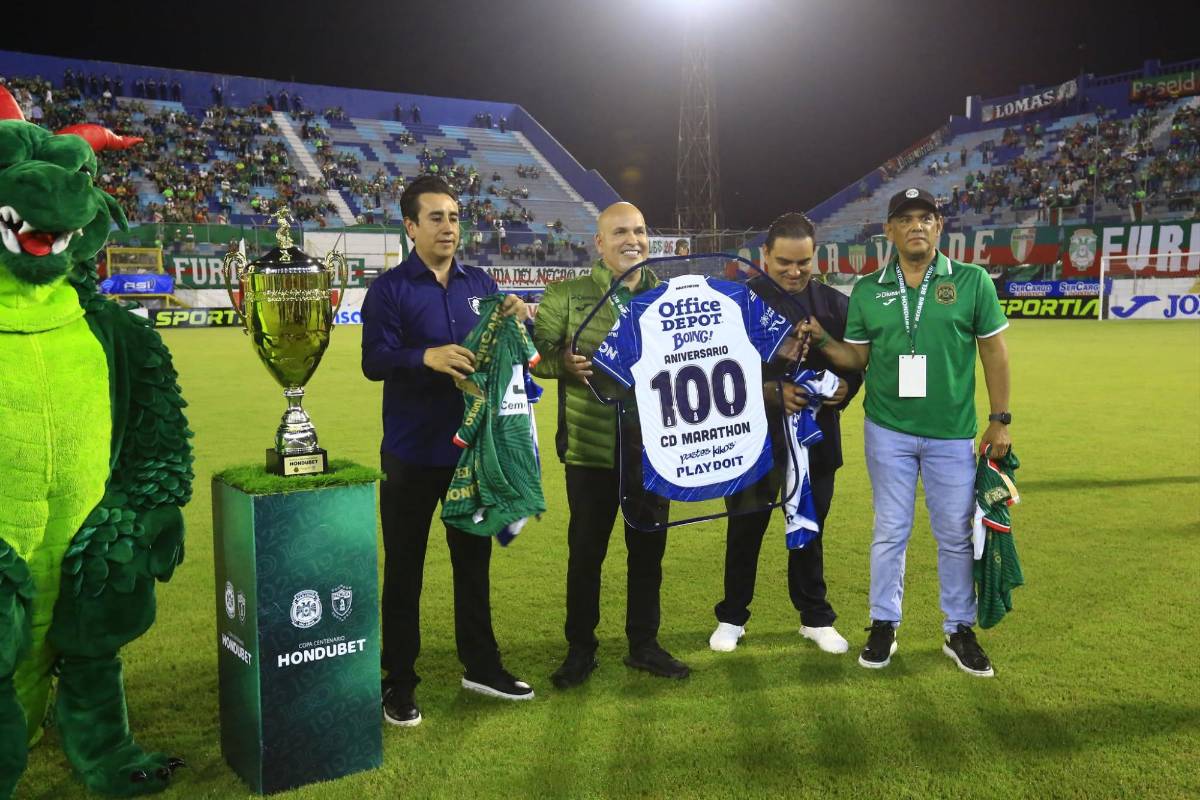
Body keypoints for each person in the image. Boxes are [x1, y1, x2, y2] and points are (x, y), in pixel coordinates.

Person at [800, 187, 1011, 678]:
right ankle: (883, 624)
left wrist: (1000, 418)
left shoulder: (973, 281)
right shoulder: (869, 290)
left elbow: (994, 352)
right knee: (889, 530)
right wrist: (825, 341)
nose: (916, 225)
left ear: (939, 226)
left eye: (926, 217)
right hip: (888, 430)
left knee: (956, 536)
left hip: (952, 432)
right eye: (905, 219)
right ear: (889, 231)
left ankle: (959, 629)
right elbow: (858, 358)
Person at [361, 175, 532, 728]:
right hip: (410, 454)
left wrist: (516, 318)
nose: (449, 227)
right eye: (436, 218)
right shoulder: (388, 290)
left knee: (473, 565)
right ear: (410, 227)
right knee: (405, 571)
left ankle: (480, 665)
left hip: (470, 453)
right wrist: (424, 358)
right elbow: (374, 361)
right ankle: (398, 682)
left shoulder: (480, 282)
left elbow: (500, 347)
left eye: (455, 217)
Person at [532, 201, 689, 688]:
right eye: (620, 231)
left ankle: (644, 644)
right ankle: (580, 648)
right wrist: (565, 364)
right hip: (591, 448)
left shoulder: (669, 296)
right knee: (586, 552)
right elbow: (537, 356)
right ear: (599, 243)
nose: (633, 240)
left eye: (640, 230)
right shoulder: (567, 295)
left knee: (648, 551)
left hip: (654, 447)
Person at [708, 213, 862, 655]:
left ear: (816, 257)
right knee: (744, 531)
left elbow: (855, 366)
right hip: (750, 443)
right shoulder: (737, 303)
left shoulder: (835, 305)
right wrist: (772, 392)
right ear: (763, 257)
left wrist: (844, 391)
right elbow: (722, 376)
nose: (794, 272)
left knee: (810, 529)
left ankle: (815, 617)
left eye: (803, 263)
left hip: (816, 444)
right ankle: (732, 616)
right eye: (783, 263)